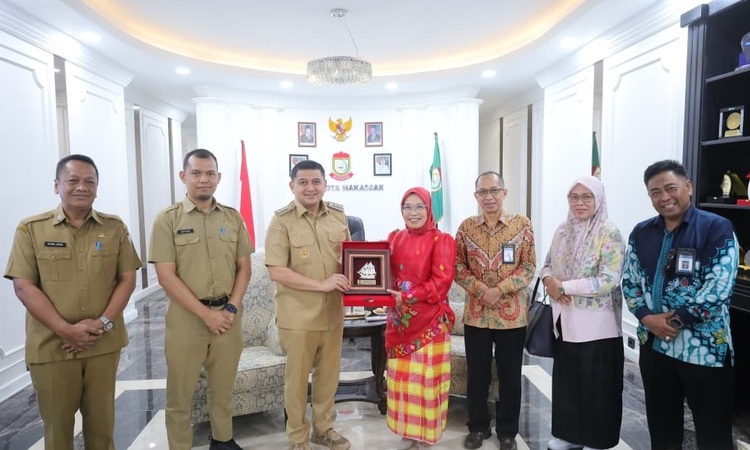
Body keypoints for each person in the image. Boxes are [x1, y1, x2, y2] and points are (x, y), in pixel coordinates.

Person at [4, 154, 141, 450]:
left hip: (102, 344)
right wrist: (66, 330)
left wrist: (103, 322)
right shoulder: (31, 229)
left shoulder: (115, 228)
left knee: (102, 427)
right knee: (57, 429)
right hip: (52, 346)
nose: (82, 187)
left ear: (97, 188)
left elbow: (127, 279)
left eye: (89, 181)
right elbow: (24, 286)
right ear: (57, 185)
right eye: (73, 180)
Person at [622, 160, 737, 450]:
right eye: (655, 192)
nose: (664, 197)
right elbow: (630, 282)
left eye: (670, 188)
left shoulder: (717, 228)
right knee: (663, 431)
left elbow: (718, 289)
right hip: (655, 349)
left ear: (688, 187)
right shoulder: (641, 232)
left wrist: (672, 323)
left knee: (713, 434)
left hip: (705, 352)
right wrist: (647, 318)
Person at [149, 148, 253, 450]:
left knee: (223, 388)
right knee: (180, 395)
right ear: (184, 176)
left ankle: (223, 441)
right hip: (187, 319)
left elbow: (244, 268)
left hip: (228, 317)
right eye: (196, 173)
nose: (203, 179)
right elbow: (166, 276)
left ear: (218, 177)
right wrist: (206, 314)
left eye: (210, 174)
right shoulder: (167, 219)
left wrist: (231, 307)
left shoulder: (232, 217)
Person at [265, 159, 352, 450]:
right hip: (299, 317)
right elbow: (276, 270)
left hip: (333, 313)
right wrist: (321, 284)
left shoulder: (338, 216)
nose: (310, 188)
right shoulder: (281, 221)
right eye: (303, 182)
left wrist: (367, 285)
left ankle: (323, 429)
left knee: (328, 377)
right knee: (297, 381)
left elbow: (350, 259)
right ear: (292, 186)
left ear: (325, 184)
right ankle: (298, 437)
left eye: (316, 182)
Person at [539, 176, 626, 450]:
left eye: (587, 196)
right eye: (574, 197)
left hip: (598, 326)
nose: (580, 202)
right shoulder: (562, 231)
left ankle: (597, 441)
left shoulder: (609, 232)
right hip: (565, 321)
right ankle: (569, 435)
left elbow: (609, 280)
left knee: (597, 387)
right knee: (566, 383)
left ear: (598, 199)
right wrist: (548, 280)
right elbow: (546, 265)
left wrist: (563, 286)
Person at [454, 171, 536, 450]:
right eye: (483, 192)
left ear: (504, 193)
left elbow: (528, 266)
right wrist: (481, 290)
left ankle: (507, 432)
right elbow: (458, 267)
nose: (489, 197)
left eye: (494, 190)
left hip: (512, 315)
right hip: (476, 315)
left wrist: (499, 290)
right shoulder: (466, 228)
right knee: (477, 374)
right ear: (476, 196)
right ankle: (478, 427)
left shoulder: (522, 225)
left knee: (510, 376)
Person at [385, 187, 456, 450]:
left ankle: (426, 436)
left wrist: (408, 296)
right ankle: (408, 432)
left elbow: (441, 283)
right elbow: (381, 271)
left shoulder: (441, 240)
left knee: (425, 381)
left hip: (430, 323)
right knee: (402, 381)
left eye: (419, 207)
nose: (412, 213)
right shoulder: (395, 238)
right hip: (399, 324)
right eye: (407, 207)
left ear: (429, 209)